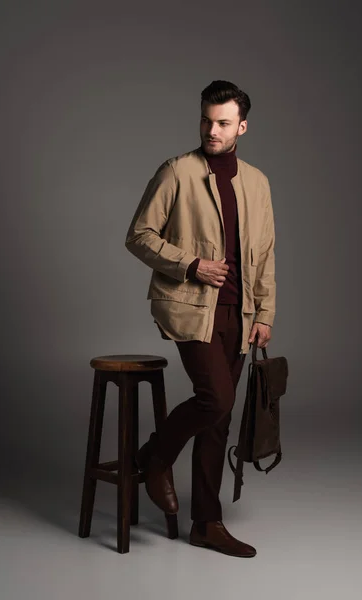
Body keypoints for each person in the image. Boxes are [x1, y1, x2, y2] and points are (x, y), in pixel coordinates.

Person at [125, 80, 276, 558]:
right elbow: (139, 235)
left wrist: (265, 311)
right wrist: (190, 264)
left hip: (241, 311)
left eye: (223, 123)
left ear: (242, 127)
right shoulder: (177, 171)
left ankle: (206, 523)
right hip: (191, 308)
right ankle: (154, 457)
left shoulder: (257, 182)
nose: (212, 130)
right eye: (207, 120)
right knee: (216, 398)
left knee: (220, 418)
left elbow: (266, 255)